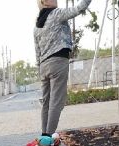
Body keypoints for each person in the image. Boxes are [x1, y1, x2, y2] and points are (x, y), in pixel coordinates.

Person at [34, 0, 92, 137]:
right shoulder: (56, 14)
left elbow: (37, 51)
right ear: (45, 2)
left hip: (43, 65)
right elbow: (79, 8)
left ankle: (44, 134)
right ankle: (49, 136)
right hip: (58, 61)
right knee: (56, 101)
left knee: (46, 102)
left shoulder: (36, 26)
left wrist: (40, 68)